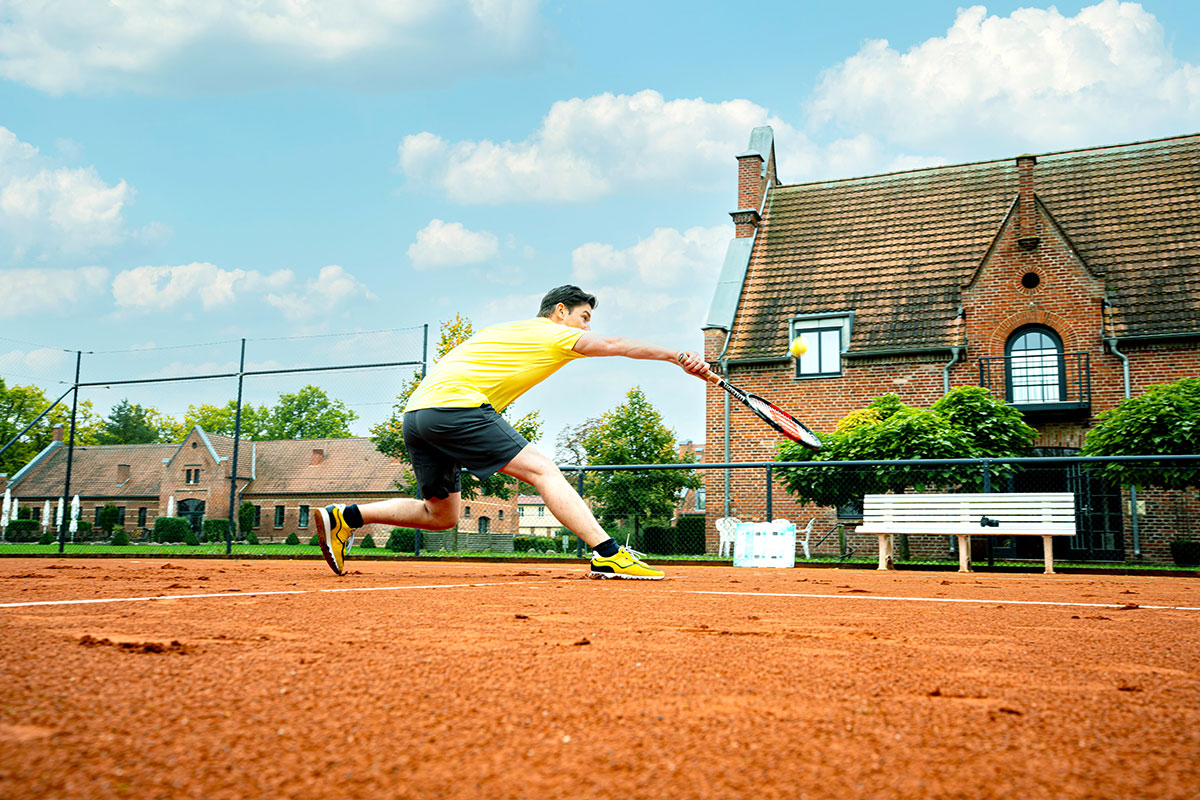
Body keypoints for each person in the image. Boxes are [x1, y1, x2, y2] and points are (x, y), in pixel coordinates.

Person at [315, 285, 709, 580]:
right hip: (456, 408)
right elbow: (616, 344)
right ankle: (607, 552)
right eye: (584, 316)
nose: (587, 326)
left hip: (418, 416)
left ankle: (345, 516)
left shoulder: (503, 330)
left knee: (440, 515)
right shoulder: (555, 333)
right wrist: (677, 356)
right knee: (543, 471)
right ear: (560, 312)